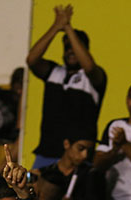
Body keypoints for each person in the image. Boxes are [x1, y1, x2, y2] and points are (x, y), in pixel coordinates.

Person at [27, 4, 106, 168]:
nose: (70, 51)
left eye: (75, 47)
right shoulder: (54, 72)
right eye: (67, 47)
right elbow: (31, 60)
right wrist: (56, 27)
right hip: (46, 153)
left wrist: (68, 28)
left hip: (78, 157)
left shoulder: (93, 77)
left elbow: (89, 67)